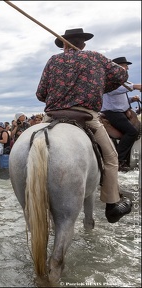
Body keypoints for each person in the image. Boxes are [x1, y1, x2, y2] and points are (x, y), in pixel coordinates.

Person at [36, 27, 132, 223]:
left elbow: (40, 94)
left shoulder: (53, 60)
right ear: (84, 43)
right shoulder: (95, 58)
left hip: (51, 116)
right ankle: (112, 203)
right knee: (112, 158)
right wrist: (100, 82)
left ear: (64, 45)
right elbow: (122, 77)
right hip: (86, 116)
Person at [101, 56, 141, 172]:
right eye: (125, 65)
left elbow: (119, 98)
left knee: (128, 135)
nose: (127, 67)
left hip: (120, 112)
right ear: (117, 67)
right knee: (131, 132)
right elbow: (114, 91)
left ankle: (125, 163)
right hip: (112, 113)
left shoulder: (120, 81)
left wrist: (131, 100)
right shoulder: (109, 80)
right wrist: (134, 86)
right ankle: (117, 159)